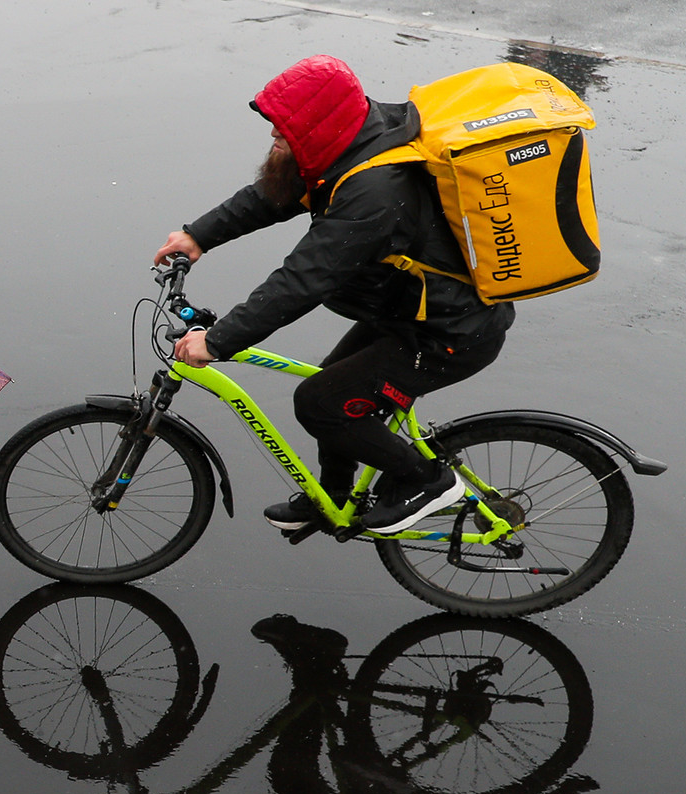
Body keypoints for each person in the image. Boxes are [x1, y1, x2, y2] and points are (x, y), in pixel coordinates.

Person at [155, 54, 513, 534]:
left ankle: (429, 481)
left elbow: (304, 278)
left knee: (321, 402)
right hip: (410, 313)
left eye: (284, 127)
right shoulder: (349, 142)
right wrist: (199, 235)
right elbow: (274, 192)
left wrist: (219, 341)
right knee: (336, 391)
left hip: (451, 333)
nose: (274, 136)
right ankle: (334, 498)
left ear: (317, 126)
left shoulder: (375, 192)